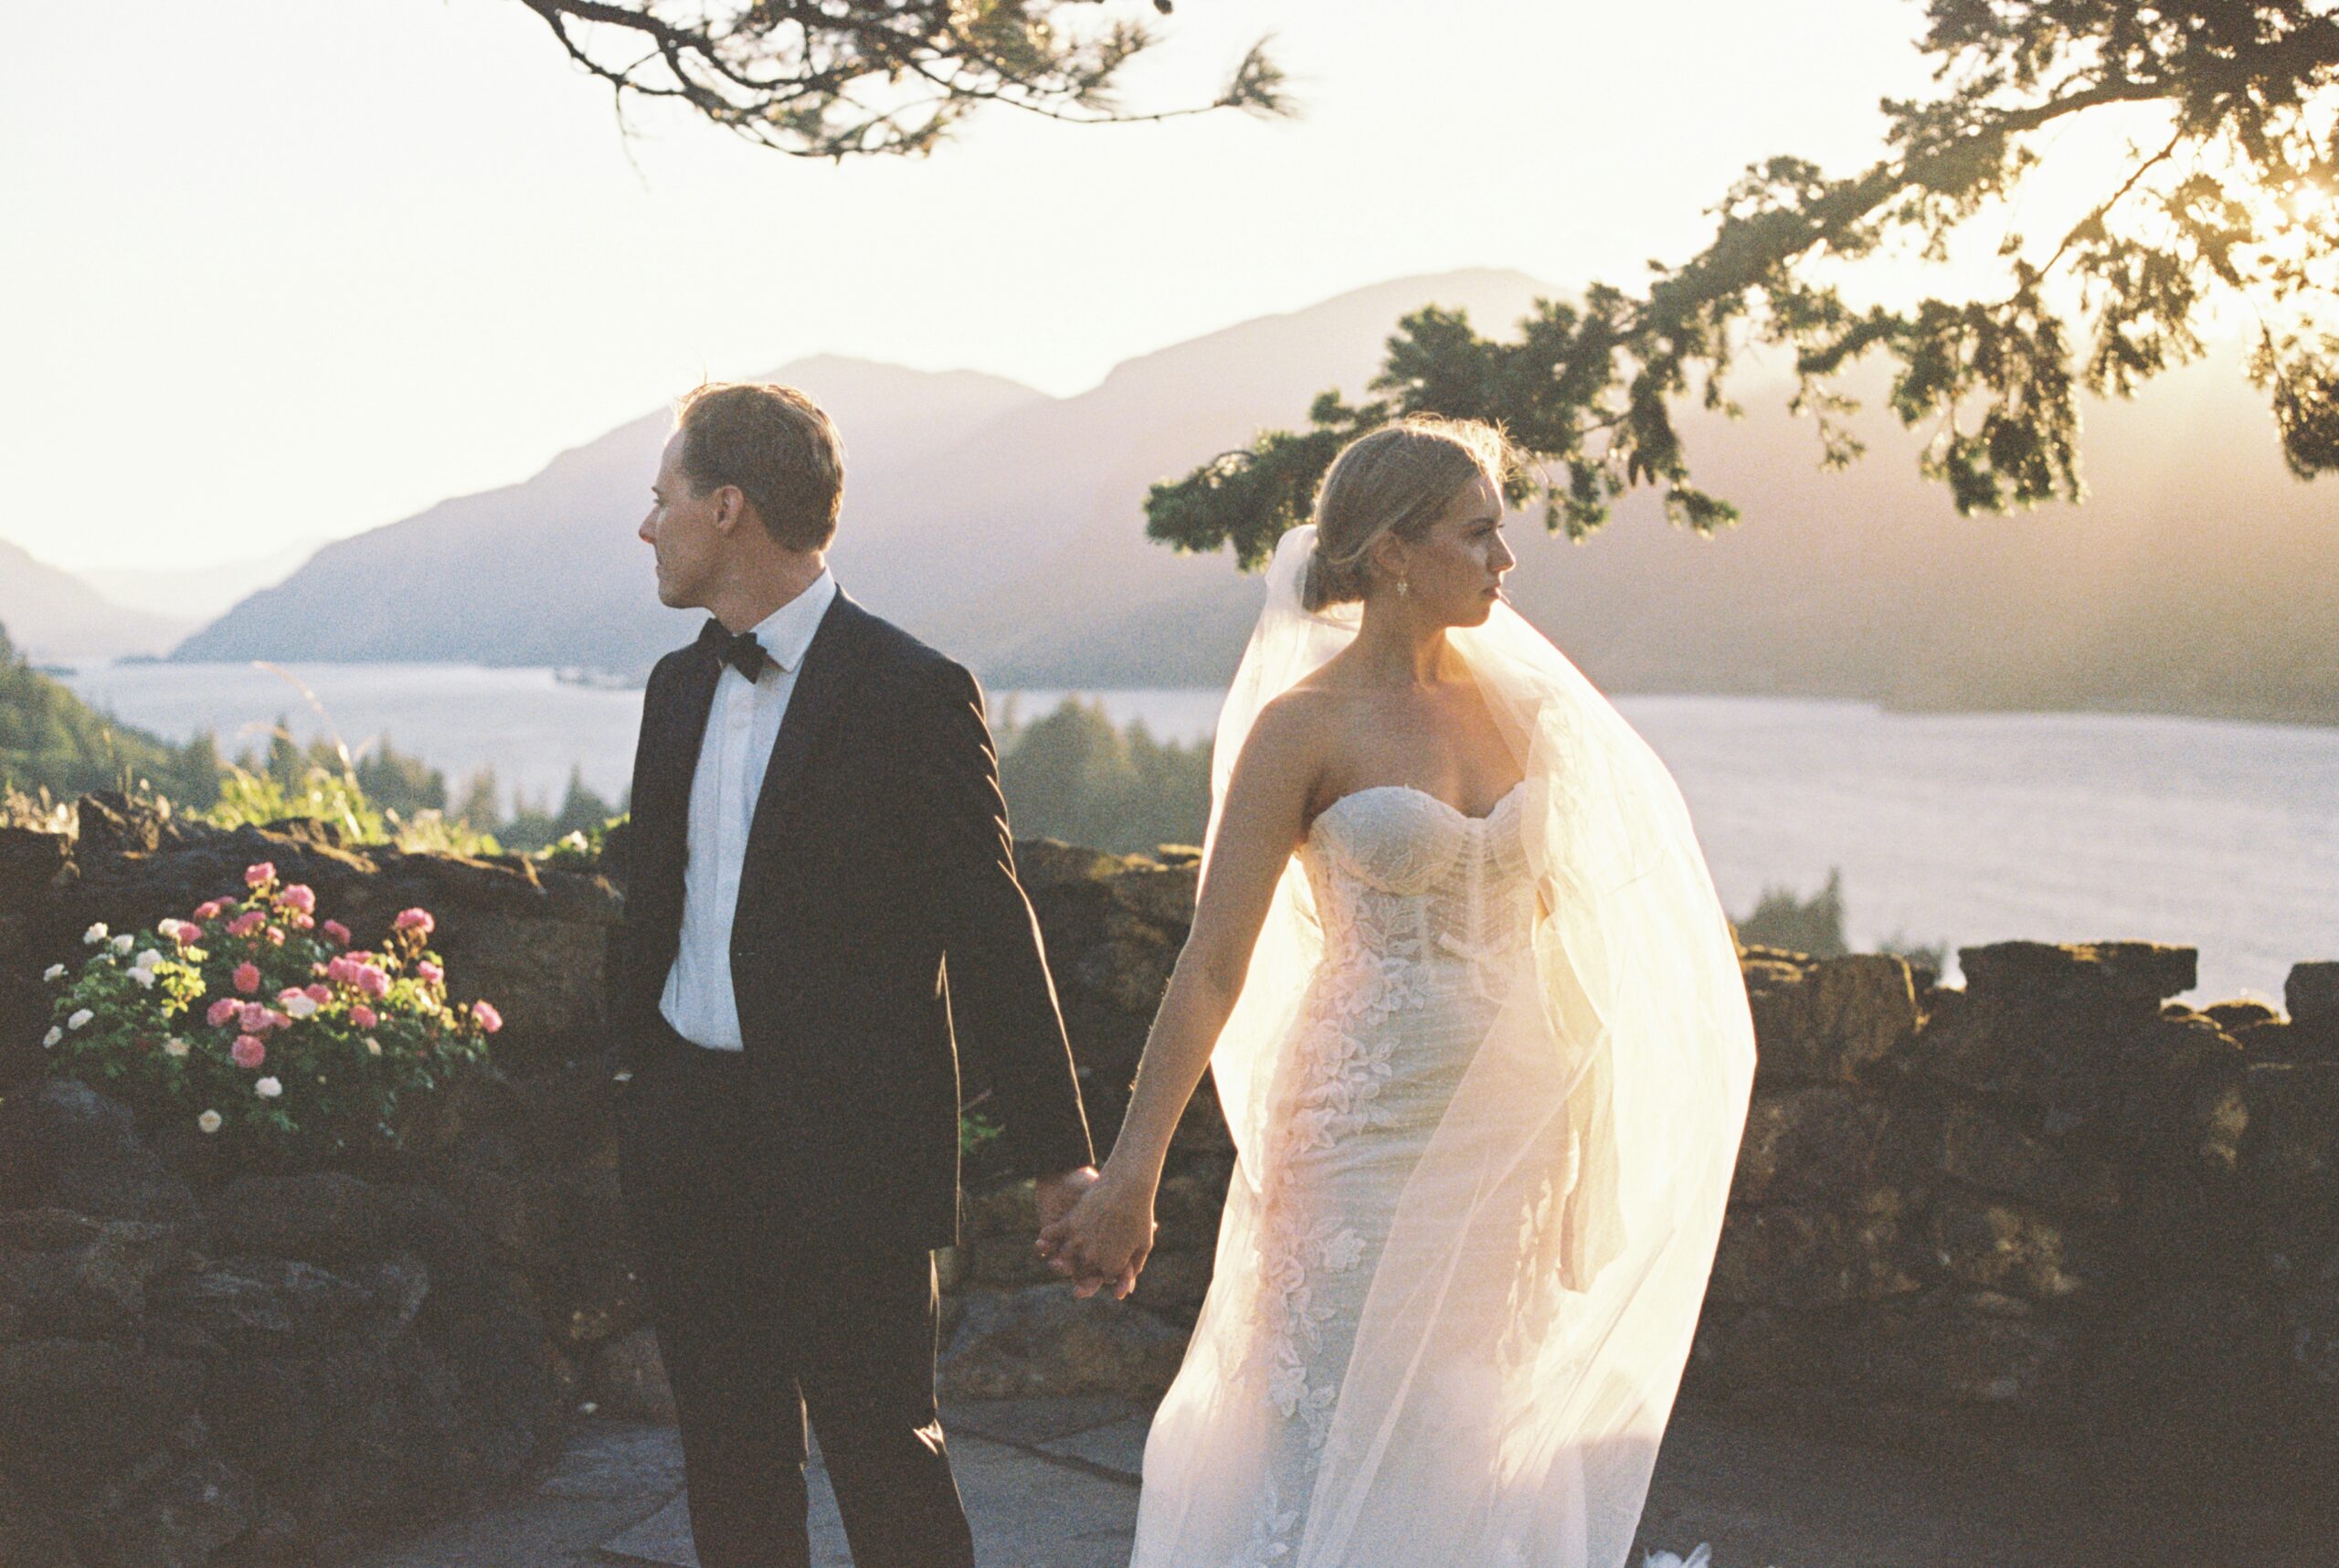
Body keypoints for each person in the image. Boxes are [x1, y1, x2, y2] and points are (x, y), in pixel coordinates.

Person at [1040, 417, 1756, 1568]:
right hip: (1360, 1130)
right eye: (1478, 534)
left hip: (1520, 1134)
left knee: (1472, 1428)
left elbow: (1584, 934)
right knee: (1332, 1424)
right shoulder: (1301, 728)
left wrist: (1599, 1142)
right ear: (1388, 553)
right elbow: (1213, 962)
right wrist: (1132, 1174)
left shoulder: (1533, 713)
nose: (1503, 561)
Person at [610, 380, 1099, 1568]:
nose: (647, 525)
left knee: (886, 1455)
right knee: (727, 1462)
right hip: (690, 1137)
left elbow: (991, 926)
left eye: (661, 498)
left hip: (846, 1150)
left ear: (727, 508)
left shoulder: (912, 692)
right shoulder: (679, 686)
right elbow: (660, 907)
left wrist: (1061, 1159)